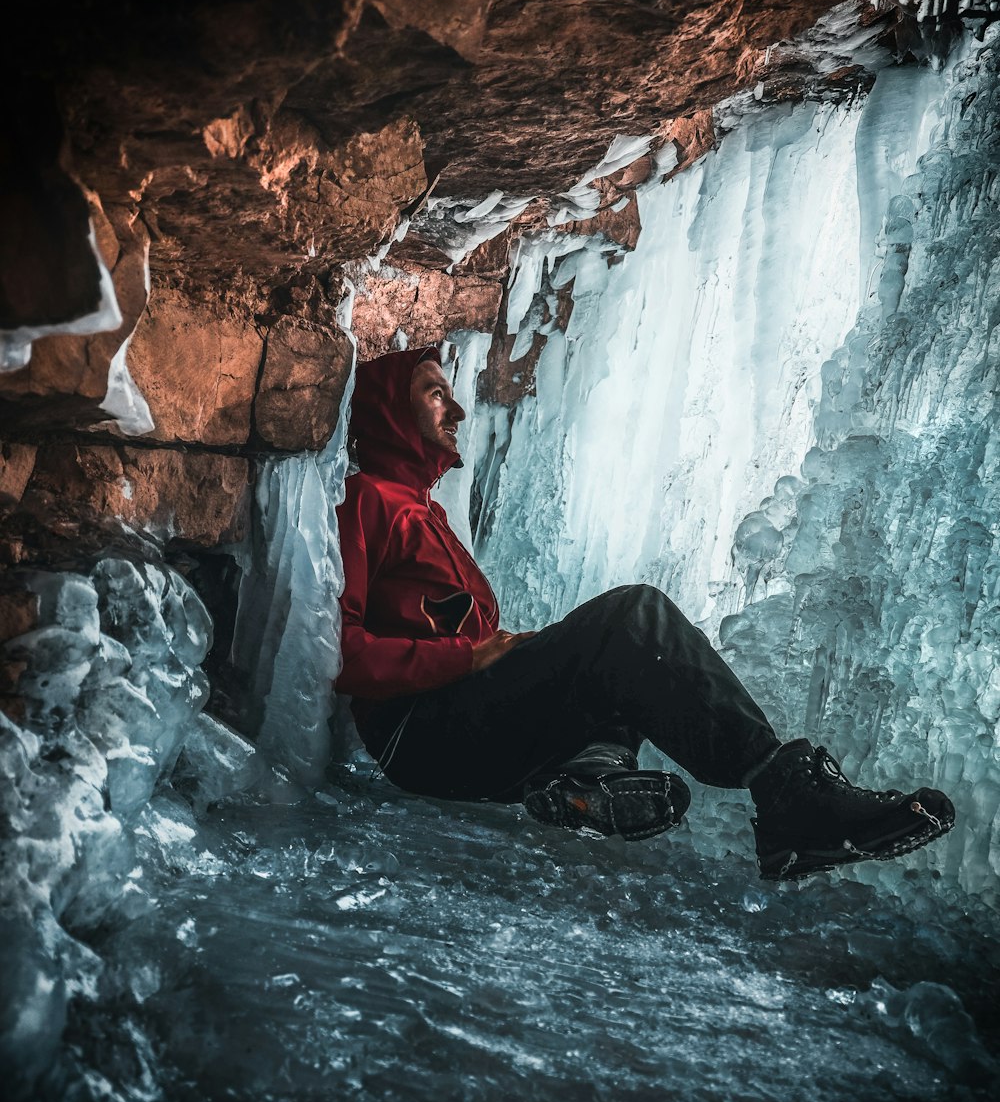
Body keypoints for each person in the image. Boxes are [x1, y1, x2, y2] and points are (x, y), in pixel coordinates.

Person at [334, 345, 955, 881]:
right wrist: (467, 655)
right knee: (633, 618)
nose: (458, 409)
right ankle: (787, 795)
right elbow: (345, 651)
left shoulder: (426, 513)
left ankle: (587, 782)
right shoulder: (368, 501)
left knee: (615, 664)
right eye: (435, 393)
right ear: (391, 410)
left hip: (454, 726)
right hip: (417, 736)